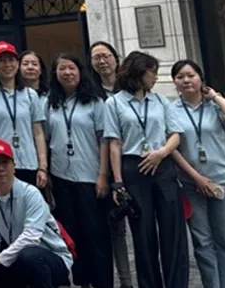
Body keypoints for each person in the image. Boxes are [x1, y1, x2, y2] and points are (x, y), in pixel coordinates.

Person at [104, 51, 188, 288]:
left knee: (173, 231)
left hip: (162, 165)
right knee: (143, 234)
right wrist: (118, 182)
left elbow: (175, 134)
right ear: (139, 73)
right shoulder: (114, 103)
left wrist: (161, 153)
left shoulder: (160, 100)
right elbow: (114, 143)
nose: (155, 77)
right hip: (133, 168)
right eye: (152, 72)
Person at [169, 60, 225, 288]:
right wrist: (196, 178)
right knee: (203, 242)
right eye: (180, 77)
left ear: (200, 78)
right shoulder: (171, 110)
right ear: (174, 82)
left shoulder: (214, 107)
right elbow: (173, 148)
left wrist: (215, 97)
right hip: (191, 183)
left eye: (191, 75)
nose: (186, 80)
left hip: (223, 179)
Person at [46, 54, 112, 288]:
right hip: (61, 176)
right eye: (62, 69)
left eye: (71, 68)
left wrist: (103, 175)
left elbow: (104, 139)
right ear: (55, 74)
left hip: (90, 176)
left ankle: (103, 282)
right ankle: (82, 281)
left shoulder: (95, 102)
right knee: (72, 233)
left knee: (96, 233)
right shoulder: (50, 103)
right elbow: (46, 138)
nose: (67, 73)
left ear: (80, 71)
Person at [0, 138, 72, 288]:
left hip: (51, 257)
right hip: (17, 256)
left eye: (5, 163)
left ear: (14, 167)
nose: (0, 168)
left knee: (29, 256)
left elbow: (31, 237)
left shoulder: (31, 193)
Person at [90, 41, 134, 288]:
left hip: (135, 162)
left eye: (105, 56)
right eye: (96, 57)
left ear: (116, 58)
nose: (102, 61)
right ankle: (125, 280)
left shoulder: (130, 88)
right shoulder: (92, 94)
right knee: (116, 227)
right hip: (106, 166)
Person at [0, 41, 48, 189]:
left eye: (11, 60)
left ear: (17, 64)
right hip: (0, 164)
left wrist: (42, 166)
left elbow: (38, 132)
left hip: (28, 163)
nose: (7, 65)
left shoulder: (30, 95)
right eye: (2, 61)